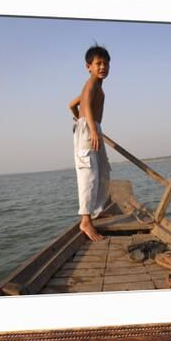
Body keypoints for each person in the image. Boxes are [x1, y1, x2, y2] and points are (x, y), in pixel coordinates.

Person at [68, 45, 112, 241]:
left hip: (92, 127)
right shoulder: (91, 83)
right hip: (90, 129)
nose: (103, 67)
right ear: (89, 66)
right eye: (98, 63)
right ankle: (85, 221)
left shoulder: (98, 88)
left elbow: (71, 104)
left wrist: (79, 119)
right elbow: (84, 103)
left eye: (106, 63)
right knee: (89, 174)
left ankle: (96, 211)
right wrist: (89, 127)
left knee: (103, 170)